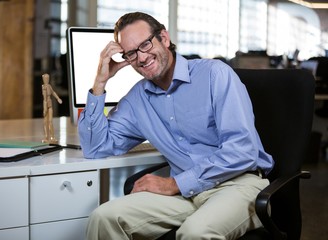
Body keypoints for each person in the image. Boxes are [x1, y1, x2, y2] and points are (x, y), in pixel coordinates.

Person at [78, 12, 274, 240]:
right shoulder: (137, 99)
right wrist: (99, 83)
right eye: (131, 53)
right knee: (104, 218)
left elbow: (242, 150)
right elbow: (95, 148)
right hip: (184, 195)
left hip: (236, 184)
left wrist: (174, 183)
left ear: (164, 37)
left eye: (145, 44)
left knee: (195, 233)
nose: (141, 58)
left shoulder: (214, 74)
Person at [42, 73, 62, 143]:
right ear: (43, 79)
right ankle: (46, 137)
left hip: (50, 104)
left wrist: (58, 98)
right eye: (45, 78)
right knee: (45, 122)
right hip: (45, 104)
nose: (47, 80)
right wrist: (44, 109)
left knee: (50, 121)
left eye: (48, 78)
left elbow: (53, 92)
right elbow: (44, 99)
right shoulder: (43, 87)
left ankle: (52, 137)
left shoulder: (49, 86)